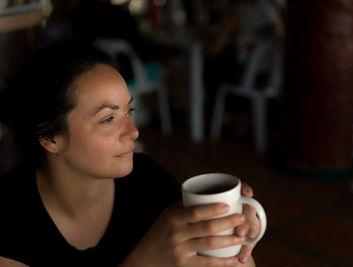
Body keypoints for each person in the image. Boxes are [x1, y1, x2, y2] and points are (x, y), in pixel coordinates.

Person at [0, 41, 260, 266]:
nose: (133, 131)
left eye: (129, 111)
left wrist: (235, 236)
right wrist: (145, 261)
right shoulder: (9, 218)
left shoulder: (147, 180)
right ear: (50, 137)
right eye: (108, 119)